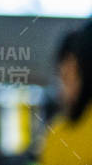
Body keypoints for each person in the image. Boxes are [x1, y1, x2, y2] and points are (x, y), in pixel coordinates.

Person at [41, 25, 92, 164]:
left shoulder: (57, 134)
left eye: (70, 76)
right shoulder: (57, 132)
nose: (62, 89)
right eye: (63, 77)